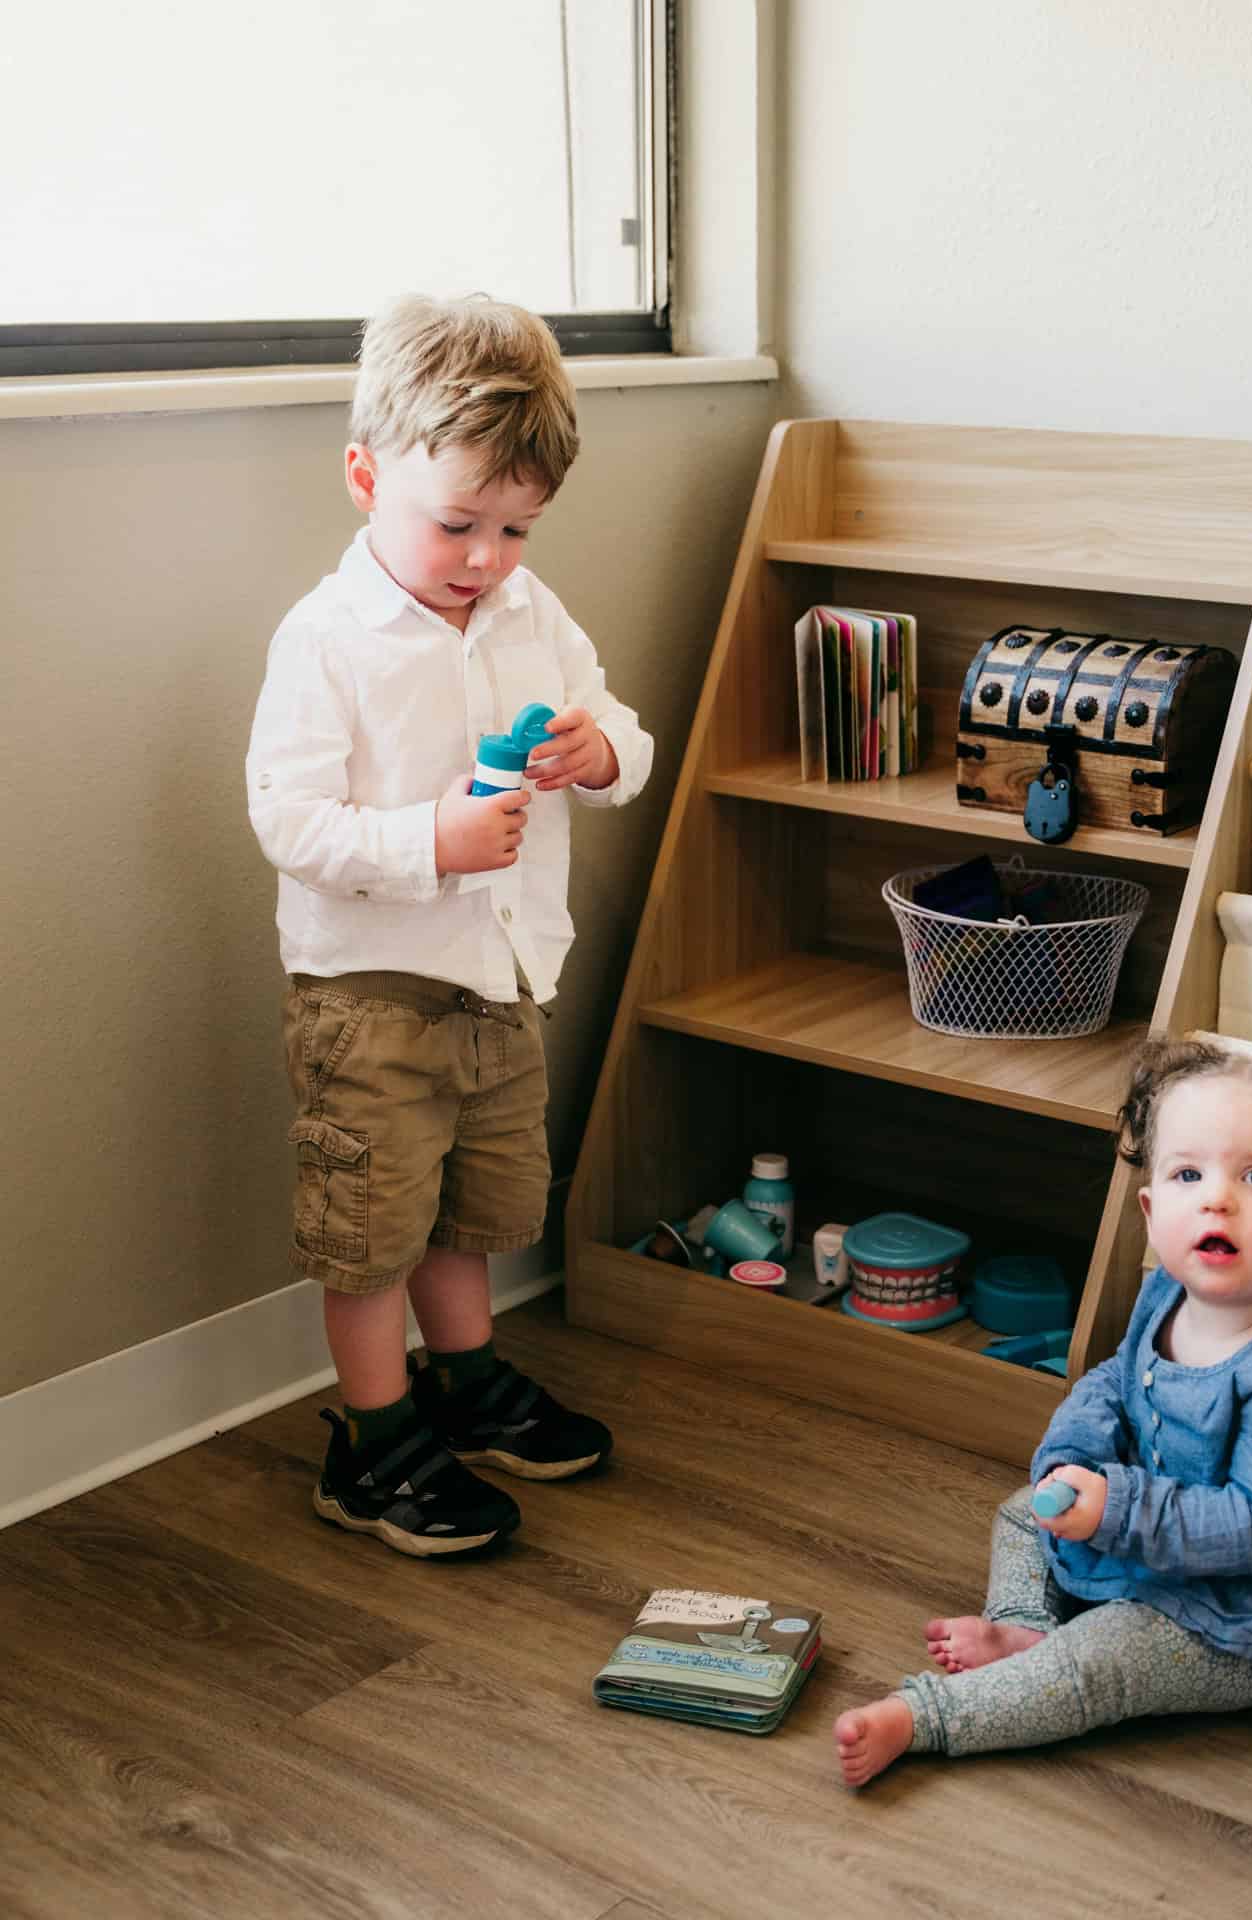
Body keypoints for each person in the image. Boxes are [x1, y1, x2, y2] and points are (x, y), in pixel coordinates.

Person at [247, 292, 653, 1558]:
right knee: (373, 1233)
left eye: (516, 528)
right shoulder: (328, 640)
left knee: (467, 1209)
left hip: (498, 978)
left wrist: (600, 751)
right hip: (371, 997)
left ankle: (464, 1380)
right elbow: (290, 821)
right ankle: (372, 1440)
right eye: (457, 524)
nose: (486, 558)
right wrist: (433, 840)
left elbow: (617, 725)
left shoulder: (534, 615)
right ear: (368, 477)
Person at [835, 1037, 1252, 1785]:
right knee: (1024, 1515)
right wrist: (1073, 1460)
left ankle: (928, 1717)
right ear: (1152, 1210)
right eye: (1188, 1173)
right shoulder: (1171, 1288)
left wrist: (1115, 1509)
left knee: (1114, 1653)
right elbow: (1118, 1380)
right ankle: (1026, 1629)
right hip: (1172, 1532)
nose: (1217, 1198)